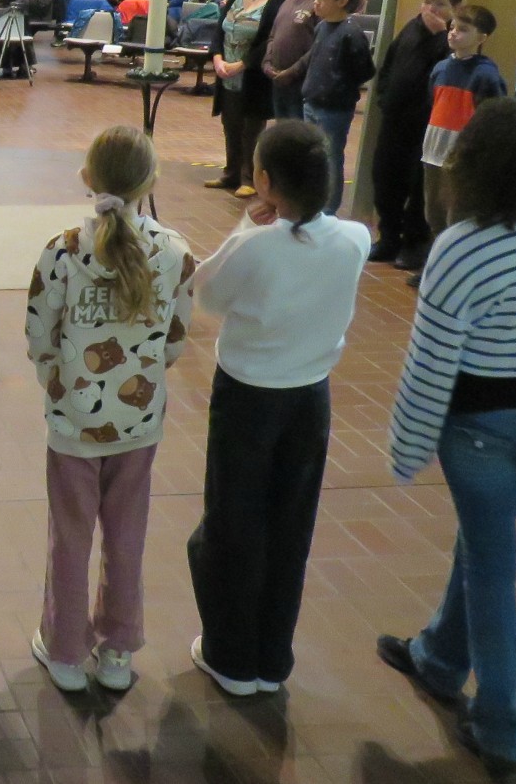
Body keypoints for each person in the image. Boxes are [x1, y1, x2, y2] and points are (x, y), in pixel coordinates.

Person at [378, 97, 516, 773]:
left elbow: (432, 361)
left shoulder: (463, 245)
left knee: (492, 565)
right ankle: (441, 658)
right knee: (486, 540)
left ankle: (500, 721)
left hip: (482, 426)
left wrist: (407, 447)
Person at [187, 122, 370, 697]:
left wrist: (248, 222)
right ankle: (272, 658)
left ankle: (230, 656)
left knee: (233, 522)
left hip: (248, 395)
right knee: (291, 525)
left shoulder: (255, 244)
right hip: (312, 397)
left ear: (264, 182)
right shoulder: (356, 238)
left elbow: (207, 294)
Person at [23, 126, 193, 693]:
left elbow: (38, 331)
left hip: (73, 421)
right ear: (151, 181)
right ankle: (118, 652)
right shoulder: (173, 251)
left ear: (86, 176)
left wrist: (58, 378)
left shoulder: (63, 250)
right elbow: (175, 338)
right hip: (138, 425)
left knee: (68, 536)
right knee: (127, 537)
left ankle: (66, 650)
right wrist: (140, 374)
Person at [369, 0, 459, 266]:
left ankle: (414, 243)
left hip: (424, 126)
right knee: (385, 180)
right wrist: (384, 97)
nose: (432, 8)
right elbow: (388, 65)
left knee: (418, 189)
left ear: (454, 9)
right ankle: (389, 237)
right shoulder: (411, 27)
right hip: (394, 120)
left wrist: (439, 37)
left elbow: (451, 71)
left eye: (441, 4)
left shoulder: (452, 39)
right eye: (429, 1)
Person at [413, 6, 507, 279]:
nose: (454, 33)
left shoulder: (486, 75)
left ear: (482, 37)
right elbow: (434, 103)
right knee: (434, 211)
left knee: (459, 213)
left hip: (463, 154)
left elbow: (493, 115)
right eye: (453, 27)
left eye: (463, 30)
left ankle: (457, 269)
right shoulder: (442, 67)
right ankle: (437, 264)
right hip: (434, 150)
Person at [298, 0, 376, 213]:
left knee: (330, 159)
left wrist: (338, 85)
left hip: (333, 108)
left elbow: (365, 70)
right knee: (314, 159)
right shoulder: (322, 27)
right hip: (312, 101)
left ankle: (328, 211)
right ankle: (313, 203)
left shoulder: (351, 33)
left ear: (342, 1)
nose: (316, 2)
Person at [207, 0, 281, 197]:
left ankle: (249, 177)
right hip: (227, 70)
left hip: (252, 74)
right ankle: (231, 173)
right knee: (231, 123)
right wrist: (217, 57)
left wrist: (242, 64)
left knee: (251, 127)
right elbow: (221, 29)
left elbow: (268, 40)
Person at [261, 0, 333, 119]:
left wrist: (292, 72)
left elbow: (320, 46)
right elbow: (273, 35)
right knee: (284, 134)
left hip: (302, 83)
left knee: (299, 137)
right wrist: (267, 62)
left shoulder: (323, 4)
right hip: (278, 81)